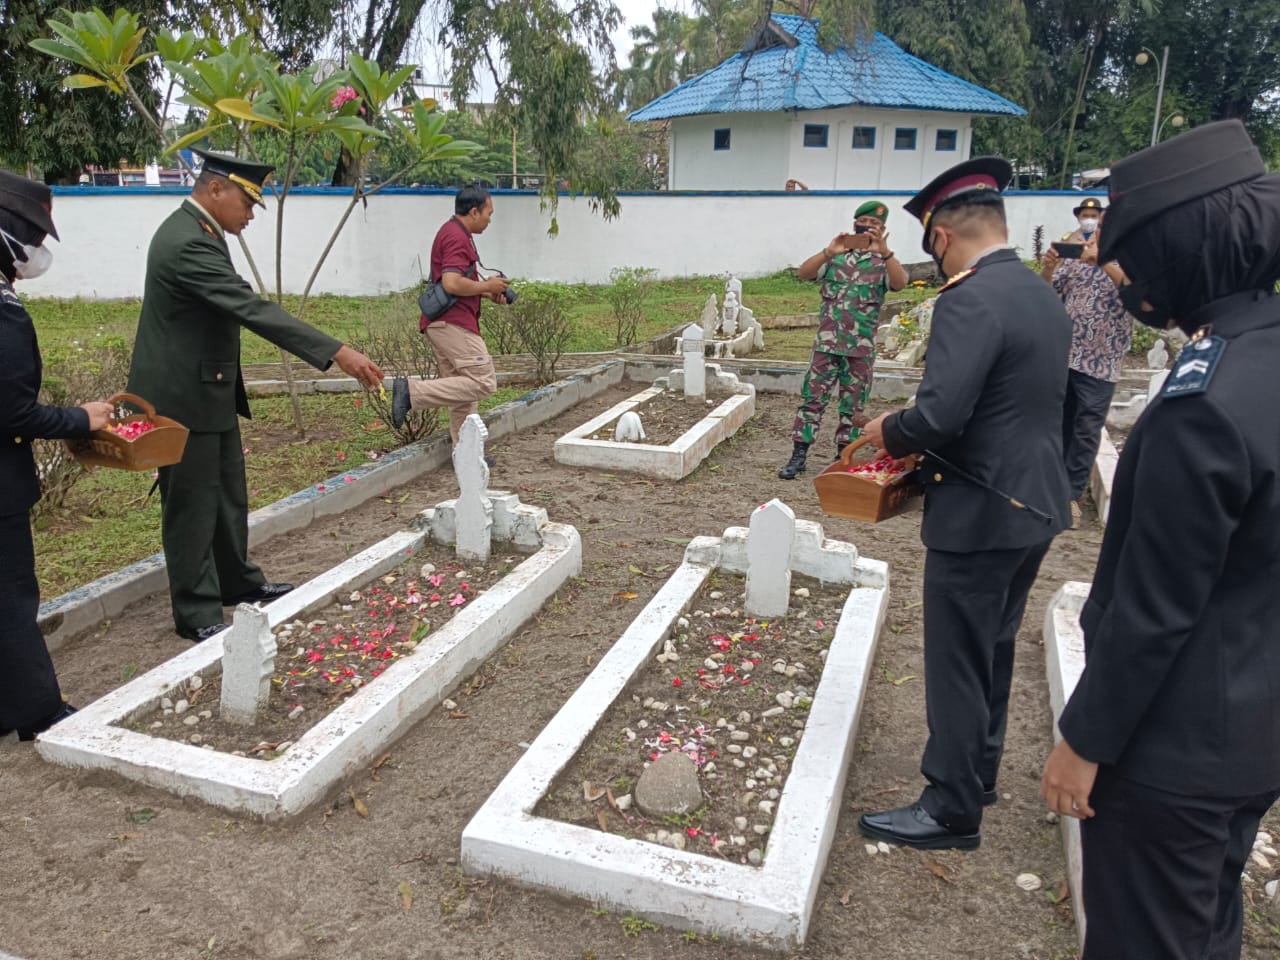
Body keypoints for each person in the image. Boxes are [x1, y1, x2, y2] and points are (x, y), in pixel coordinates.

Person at [1041, 119, 1280, 959]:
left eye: (1131, 249)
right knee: (1205, 927)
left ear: (1181, 247)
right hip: (1253, 731)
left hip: (1170, 753)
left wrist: (1082, 743)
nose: (1117, 270)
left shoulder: (1203, 405)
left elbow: (1154, 607)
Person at [856, 158, 1072, 850]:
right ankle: (977, 773)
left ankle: (951, 809)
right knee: (993, 646)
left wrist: (886, 431)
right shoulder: (1039, 292)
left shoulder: (966, 298)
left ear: (940, 237)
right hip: (1035, 502)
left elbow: (942, 414)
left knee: (956, 656)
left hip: (979, 510)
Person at [127, 149, 385, 643]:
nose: (250, 214)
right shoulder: (186, 242)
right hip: (183, 398)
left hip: (209, 391)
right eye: (247, 203)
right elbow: (248, 306)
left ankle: (236, 582)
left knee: (226, 496)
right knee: (192, 505)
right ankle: (196, 609)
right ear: (216, 188)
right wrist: (336, 351)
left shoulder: (202, 233)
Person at [0, 170, 114, 739]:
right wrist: (81, 418)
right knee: (12, 600)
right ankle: (39, 712)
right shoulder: (4, 312)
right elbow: (12, 414)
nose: (36, 253)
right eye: (31, 237)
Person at [777, 200, 908, 480]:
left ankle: (843, 458)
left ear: (883, 229)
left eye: (875, 225)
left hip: (860, 350)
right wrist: (829, 251)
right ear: (854, 225)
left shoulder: (883, 262)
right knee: (811, 401)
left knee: (853, 408)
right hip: (826, 346)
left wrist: (886, 254)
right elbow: (804, 273)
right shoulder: (835, 258)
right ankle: (799, 455)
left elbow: (900, 284)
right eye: (865, 223)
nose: (869, 228)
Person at [390, 185, 510, 442]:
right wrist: (487, 285)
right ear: (475, 211)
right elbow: (451, 283)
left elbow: (459, 282)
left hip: (442, 323)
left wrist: (488, 292)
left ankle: (465, 453)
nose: (490, 219)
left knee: (461, 395)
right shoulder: (456, 237)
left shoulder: (456, 233)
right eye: (489, 213)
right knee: (483, 382)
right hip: (453, 324)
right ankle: (411, 392)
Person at [1040, 209, 1133, 526]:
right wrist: (1049, 269)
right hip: (1066, 355)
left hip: (1102, 362)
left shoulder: (1132, 258)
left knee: (1086, 432)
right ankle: (1048, 489)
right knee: (1057, 426)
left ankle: (1069, 498)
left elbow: (1140, 296)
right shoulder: (1075, 255)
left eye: (1104, 224)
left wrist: (1103, 262)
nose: (1096, 229)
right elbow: (1048, 296)